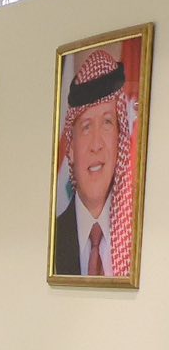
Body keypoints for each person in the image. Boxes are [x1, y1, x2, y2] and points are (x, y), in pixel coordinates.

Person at [52, 47, 138, 278]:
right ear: (70, 147)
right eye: (87, 127)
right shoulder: (52, 238)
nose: (96, 144)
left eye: (107, 123)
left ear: (120, 137)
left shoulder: (138, 238)